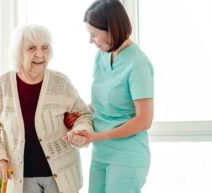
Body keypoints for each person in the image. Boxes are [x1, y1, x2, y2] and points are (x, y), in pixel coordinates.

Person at [0, 24, 93, 193]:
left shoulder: (61, 83)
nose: (40, 54)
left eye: (45, 48)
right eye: (31, 48)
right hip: (21, 179)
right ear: (18, 52)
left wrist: (80, 131)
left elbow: (83, 115)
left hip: (61, 178)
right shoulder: (4, 85)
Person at [63, 0, 154, 193]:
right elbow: (101, 103)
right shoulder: (102, 56)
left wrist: (99, 136)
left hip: (127, 156)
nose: (91, 41)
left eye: (94, 34)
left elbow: (144, 120)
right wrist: (81, 114)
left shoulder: (137, 63)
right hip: (101, 153)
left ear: (112, 28)